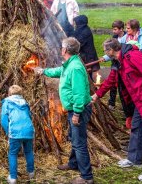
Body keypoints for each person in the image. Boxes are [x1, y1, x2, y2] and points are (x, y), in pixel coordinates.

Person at [92, 38, 142, 182]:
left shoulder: (134, 57)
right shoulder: (118, 62)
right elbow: (111, 80)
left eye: (105, 51)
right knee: (136, 129)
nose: (105, 55)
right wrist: (97, 95)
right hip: (138, 103)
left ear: (112, 50)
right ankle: (135, 160)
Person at [34, 37, 93, 184]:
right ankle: (73, 164)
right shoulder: (70, 64)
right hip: (73, 110)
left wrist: (77, 113)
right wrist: (44, 71)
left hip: (77, 110)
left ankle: (87, 177)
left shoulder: (75, 68)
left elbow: (79, 94)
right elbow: (60, 71)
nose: (61, 49)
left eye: (62, 47)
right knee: (74, 138)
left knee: (79, 143)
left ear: (65, 50)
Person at [0, 85, 35, 184]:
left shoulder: (7, 102)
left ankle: (13, 178)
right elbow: (29, 116)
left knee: (13, 154)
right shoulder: (25, 103)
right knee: (28, 151)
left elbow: (3, 120)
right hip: (28, 131)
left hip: (15, 132)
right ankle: (31, 173)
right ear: (20, 93)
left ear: (9, 93)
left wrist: (8, 131)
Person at [73, 15, 100, 80]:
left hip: (87, 56)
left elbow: (78, 43)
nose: (74, 25)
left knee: (87, 75)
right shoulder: (83, 29)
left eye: (76, 23)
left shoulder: (85, 32)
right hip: (86, 55)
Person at [108, 20, 126, 110]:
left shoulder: (127, 38)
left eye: (115, 29)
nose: (113, 31)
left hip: (123, 64)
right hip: (115, 63)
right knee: (113, 83)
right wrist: (106, 57)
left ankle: (126, 106)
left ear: (121, 29)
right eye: (113, 29)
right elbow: (111, 50)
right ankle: (111, 103)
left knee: (123, 86)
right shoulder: (114, 37)